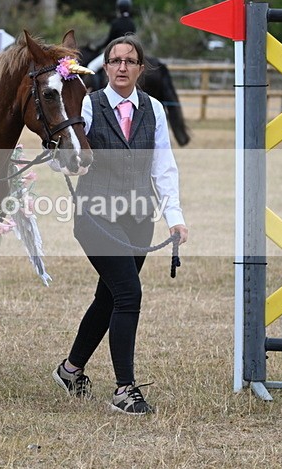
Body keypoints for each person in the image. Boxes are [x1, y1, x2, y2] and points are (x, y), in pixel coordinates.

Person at [52, 34, 188, 415]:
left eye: (130, 61)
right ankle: (124, 390)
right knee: (129, 295)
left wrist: (174, 218)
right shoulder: (90, 106)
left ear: (141, 68)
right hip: (96, 217)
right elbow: (68, 150)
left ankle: (70, 369)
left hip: (139, 220)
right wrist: (63, 158)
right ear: (105, 66)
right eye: (115, 61)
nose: (122, 67)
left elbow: (164, 167)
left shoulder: (154, 109)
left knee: (110, 296)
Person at [86, 0, 137, 73]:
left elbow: (109, 40)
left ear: (118, 8)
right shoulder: (132, 23)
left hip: (115, 52)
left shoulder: (116, 22)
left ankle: (95, 86)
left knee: (91, 66)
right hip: (129, 51)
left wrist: (98, 48)